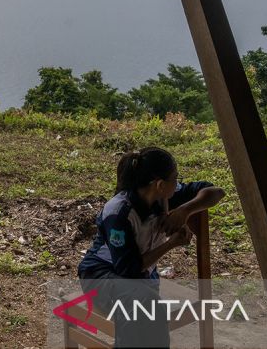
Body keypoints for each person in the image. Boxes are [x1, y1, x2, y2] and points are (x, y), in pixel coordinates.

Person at [77, 147, 225, 348]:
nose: (178, 182)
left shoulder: (165, 195)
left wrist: (184, 211)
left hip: (142, 281)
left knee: (147, 308)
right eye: (175, 178)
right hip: (102, 275)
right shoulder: (119, 212)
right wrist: (171, 244)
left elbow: (215, 191)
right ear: (160, 184)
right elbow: (128, 269)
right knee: (143, 308)